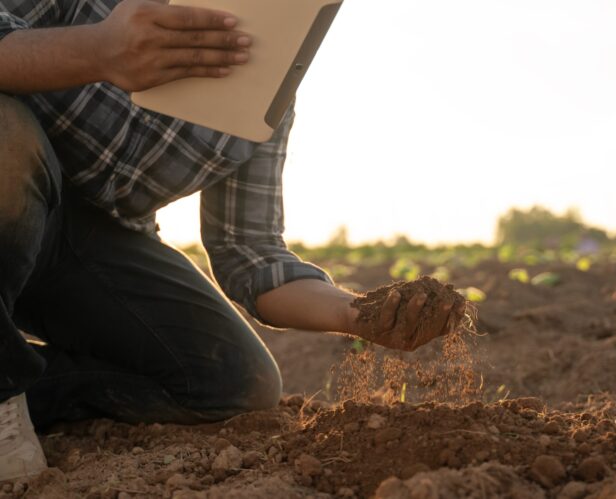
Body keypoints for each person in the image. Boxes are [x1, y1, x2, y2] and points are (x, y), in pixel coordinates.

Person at [0, 0, 461, 481]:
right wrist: (97, 50)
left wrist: (357, 313)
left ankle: (23, 389)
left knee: (234, 381)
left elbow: (250, 253)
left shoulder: (263, 90)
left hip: (87, 244)